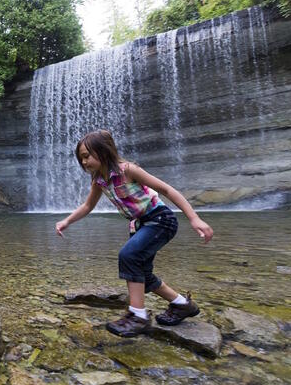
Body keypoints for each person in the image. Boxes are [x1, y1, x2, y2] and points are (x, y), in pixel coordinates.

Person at [55, 130, 213, 337]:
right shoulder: (99, 180)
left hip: (160, 219)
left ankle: (137, 316)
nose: (83, 162)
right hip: (140, 224)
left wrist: (194, 218)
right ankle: (182, 304)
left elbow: (167, 190)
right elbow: (87, 206)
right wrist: (67, 221)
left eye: (87, 156)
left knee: (129, 256)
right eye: (81, 158)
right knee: (143, 276)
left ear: (104, 152)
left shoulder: (127, 170)